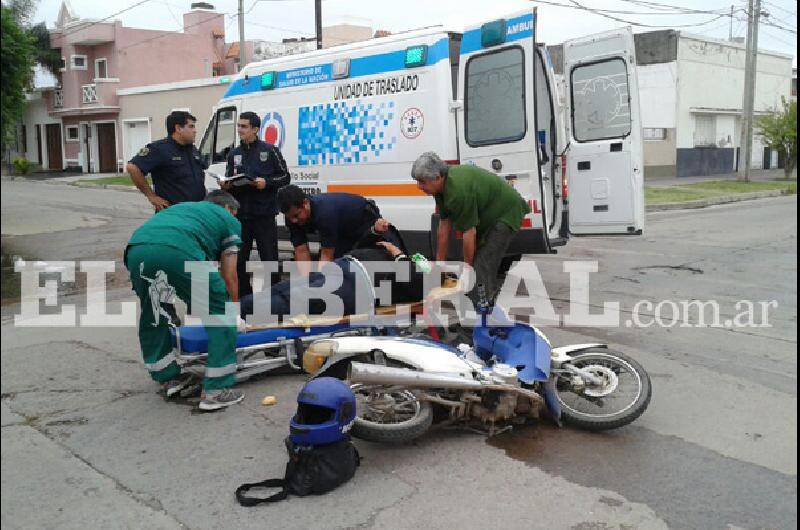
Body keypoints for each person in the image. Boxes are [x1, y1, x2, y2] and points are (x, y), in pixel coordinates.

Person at [124, 190, 245, 411]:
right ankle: (216, 391)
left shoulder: (185, 208)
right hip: (180, 252)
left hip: (137, 249)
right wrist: (233, 313)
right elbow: (230, 275)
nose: (234, 219)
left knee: (155, 312)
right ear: (229, 209)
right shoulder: (229, 220)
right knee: (220, 314)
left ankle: (168, 378)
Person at [411, 152, 530, 302]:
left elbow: (469, 233)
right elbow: (444, 225)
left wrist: (467, 270)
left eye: (422, 182)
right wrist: (440, 264)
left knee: (480, 268)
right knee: (472, 264)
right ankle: (481, 307)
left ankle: (481, 316)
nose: (419, 187)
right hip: (488, 217)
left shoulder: (457, 192)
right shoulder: (440, 189)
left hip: (505, 214)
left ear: (438, 177)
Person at [239, 233, 430, 320]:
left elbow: (416, 285)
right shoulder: (396, 257)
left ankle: (233, 315)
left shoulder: (419, 275)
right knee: (285, 288)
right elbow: (361, 244)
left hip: (358, 286)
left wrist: (399, 255)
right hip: (343, 266)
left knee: (292, 300)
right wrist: (375, 235)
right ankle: (237, 308)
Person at [220, 111, 290, 298]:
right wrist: (226, 185)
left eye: (244, 126)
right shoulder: (234, 154)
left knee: (269, 260)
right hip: (241, 217)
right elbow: (230, 179)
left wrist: (267, 182)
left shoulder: (270, 150)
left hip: (264, 216)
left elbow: (285, 177)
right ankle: (246, 300)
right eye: (238, 126)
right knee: (240, 261)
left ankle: (275, 300)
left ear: (255, 129)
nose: (239, 130)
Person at [277, 185, 398, 275]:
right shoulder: (292, 217)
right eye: (289, 217)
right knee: (335, 266)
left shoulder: (324, 213)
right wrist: (307, 284)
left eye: (297, 215)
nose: (294, 221)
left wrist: (319, 286)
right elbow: (301, 251)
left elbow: (326, 256)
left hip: (363, 221)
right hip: (341, 229)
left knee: (358, 263)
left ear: (306, 203)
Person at [127, 111, 207, 212]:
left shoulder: (192, 150)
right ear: (178, 128)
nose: (195, 131)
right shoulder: (160, 149)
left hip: (196, 211)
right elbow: (133, 167)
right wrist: (151, 196)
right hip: (174, 213)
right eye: (191, 127)